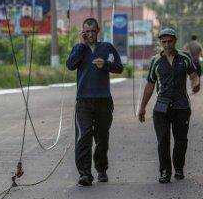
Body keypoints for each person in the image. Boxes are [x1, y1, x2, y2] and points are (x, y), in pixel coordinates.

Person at [138, 27, 200, 183]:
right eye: (163, 42)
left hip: (181, 105)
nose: (166, 45)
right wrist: (142, 107)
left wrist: (196, 84)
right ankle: (165, 171)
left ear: (175, 41)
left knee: (181, 140)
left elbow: (193, 76)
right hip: (161, 106)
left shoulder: (185, 58)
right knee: (163, 140)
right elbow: (150, 85)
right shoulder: (156, 61)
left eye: (169, 41)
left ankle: (178, 168)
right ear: (160, 42)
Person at [66, 18, 124, 186]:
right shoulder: (79, 48)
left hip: (103, 100)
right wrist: (80, 45)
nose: (90, 34)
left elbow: (119, 67)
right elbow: (70, 65)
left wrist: (105, 64)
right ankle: (84, 174)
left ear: (98, 30)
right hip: (84, 100)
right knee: (84, 136)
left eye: (92, 31)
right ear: (83, 32)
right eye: (86, 31)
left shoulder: (106, 47)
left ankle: (101, 168)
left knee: (102, 137)